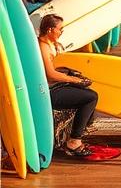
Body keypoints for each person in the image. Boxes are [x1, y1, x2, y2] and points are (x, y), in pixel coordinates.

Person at [37, 14, 98, 158]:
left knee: (88, 92)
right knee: (90, 97)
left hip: (55, 86)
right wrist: (74, 80)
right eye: (60, 29)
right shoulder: (43, 47)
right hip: (46, 92)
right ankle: (74, 141)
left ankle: (77, 134)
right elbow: (50, 74)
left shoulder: (51, 44)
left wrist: (72, 74)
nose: (62, 32)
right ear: (51, 29)